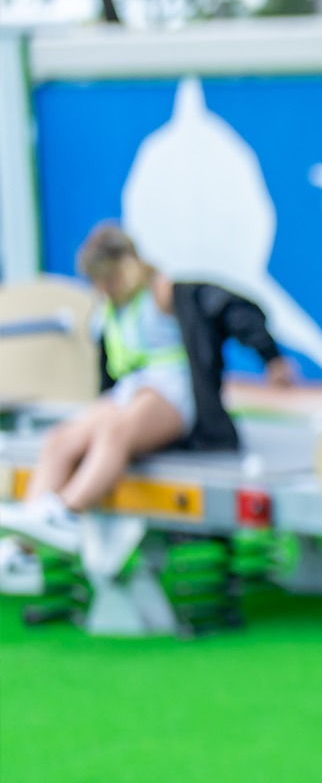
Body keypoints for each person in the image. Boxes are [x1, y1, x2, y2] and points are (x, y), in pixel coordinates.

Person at [0, 221, 295, 557]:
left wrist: (271, 359)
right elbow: (110, 371)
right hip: (132, 389)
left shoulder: (163, 292)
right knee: (59, 440)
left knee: (113, 432)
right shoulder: (109, 307)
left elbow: (234, 310)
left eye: (107, 277)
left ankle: (66, 512)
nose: (103, 287)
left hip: (173, 392)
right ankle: (24, 542)